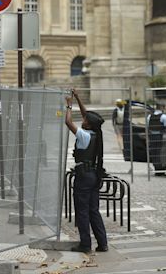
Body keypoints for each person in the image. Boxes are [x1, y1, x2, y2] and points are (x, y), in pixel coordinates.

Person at [65, 88, 108, 254]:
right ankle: (102, 243)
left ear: (87, 123)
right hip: (93, 175)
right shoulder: (96, 133)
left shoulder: (84, 135)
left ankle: (85, 245)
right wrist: (77, 98)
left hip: (83, 176)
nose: (83, 118)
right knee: (93, 210)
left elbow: (68, 123)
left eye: (85, 119)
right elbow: (86, 115)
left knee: (82, 211)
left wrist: (69, 106)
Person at [147, 104, 166, 172]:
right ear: (162, 108)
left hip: (152, 136)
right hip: (160, 136)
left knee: (153, 152)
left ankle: (155, 165)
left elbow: (148, 126)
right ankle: (160, 166)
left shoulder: (150, 116)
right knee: (160, 151)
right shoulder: (164, 116)